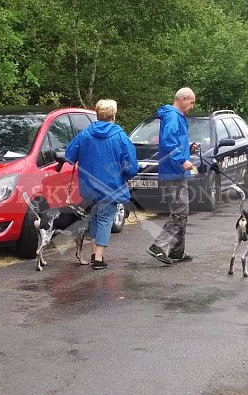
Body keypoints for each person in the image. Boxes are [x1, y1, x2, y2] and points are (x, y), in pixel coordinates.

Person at [65, 99, 139, 270]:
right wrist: (127, 175)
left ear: (97, 115)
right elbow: (132, 165)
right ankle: (98, 258)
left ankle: (94, 253)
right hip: (111, 186)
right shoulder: (121, 136)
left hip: (89, 187)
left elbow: (70, 155)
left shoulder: (84, 134)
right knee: (105, 219)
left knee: (95, 217)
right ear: (114, 115)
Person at [146, 87, 197, 265]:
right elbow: (168, 142)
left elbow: (175, 141)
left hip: (176, 171)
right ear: (183, 99)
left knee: (182, 211)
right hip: (172, 172)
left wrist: (189, 147)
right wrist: (182, 160)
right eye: (191, 102)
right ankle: (159, 245)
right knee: (180, 212)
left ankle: (176, 251)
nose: (192, 106)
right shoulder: (173, 116)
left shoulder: (175, 116)